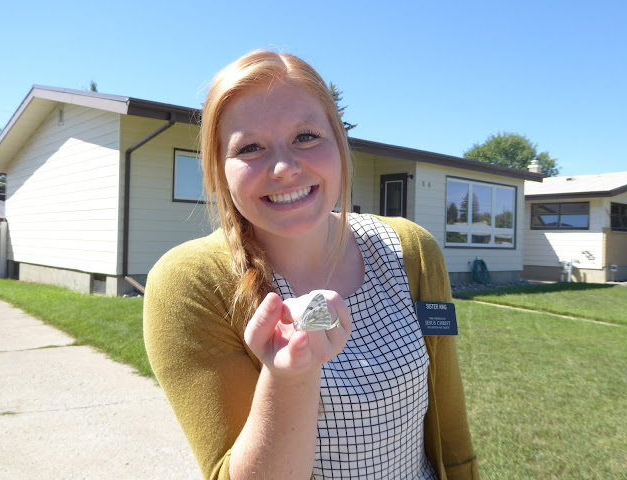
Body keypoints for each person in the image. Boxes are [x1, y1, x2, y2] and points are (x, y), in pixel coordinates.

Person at [143, 50, 479, 480]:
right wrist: (288, 378)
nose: (284, 168)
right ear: (218, 171)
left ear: (339, 143)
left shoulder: (412, 251)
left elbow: (450, 428)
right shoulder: (189, 285)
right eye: (250, 147)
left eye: (306, 136)